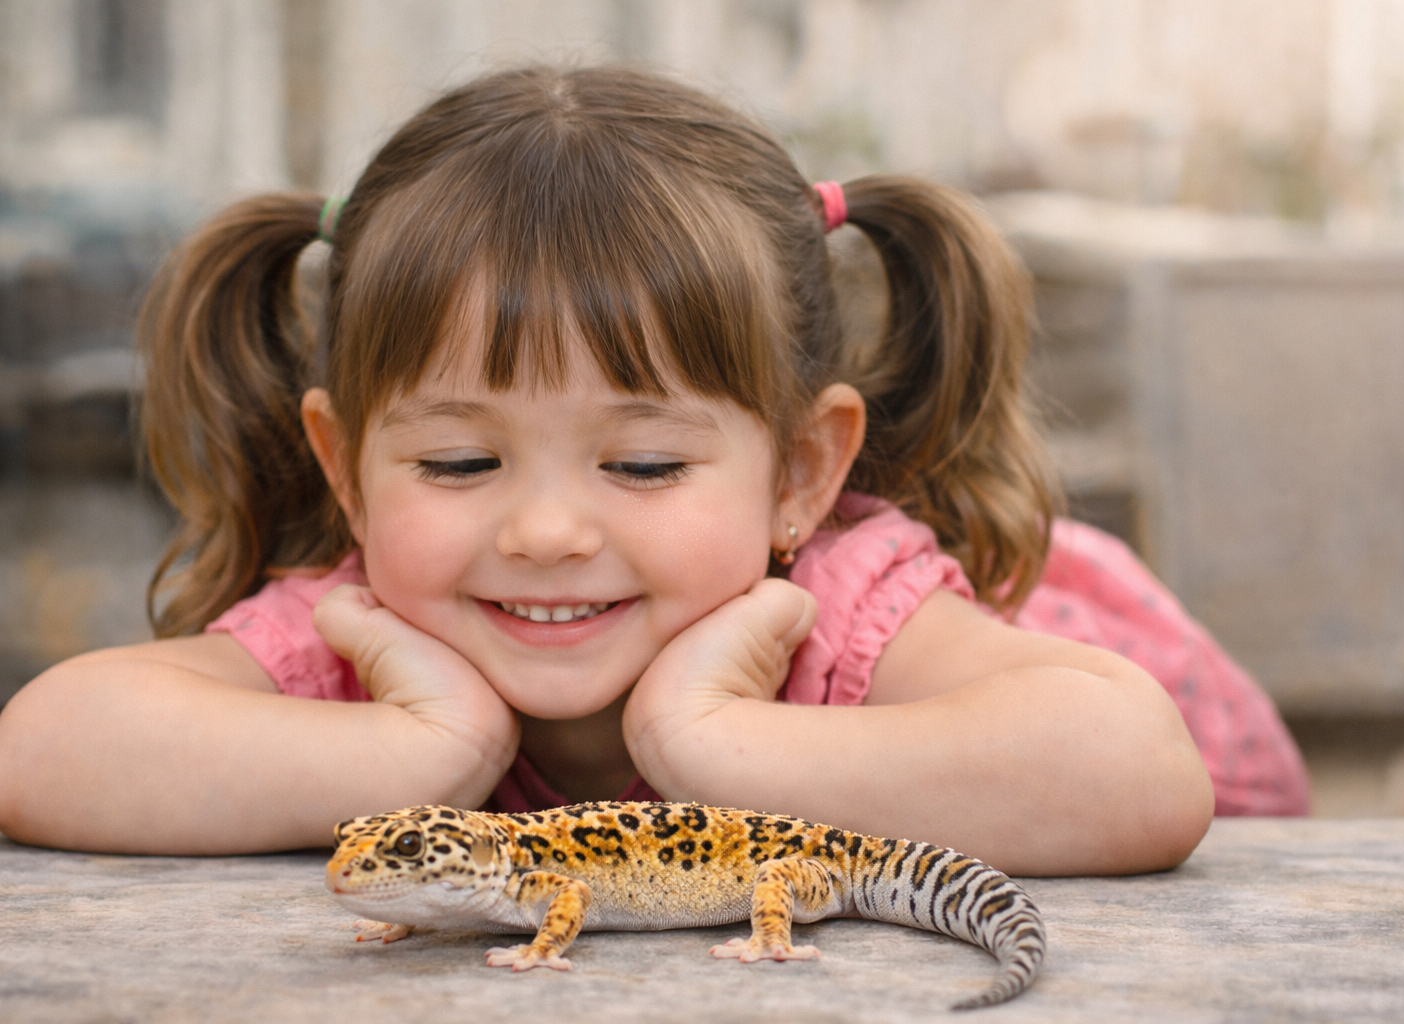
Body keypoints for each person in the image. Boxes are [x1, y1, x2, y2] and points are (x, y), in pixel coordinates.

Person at [0, 66, 1304, 872]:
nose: (550, 529)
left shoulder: (844, 609)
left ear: (800, 473)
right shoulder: (368, 628)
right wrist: (426, 751)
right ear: (345, 468)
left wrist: (712, 743)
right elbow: (45, 750)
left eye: (640, 462)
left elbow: (1137, 772)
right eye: (459, 460)